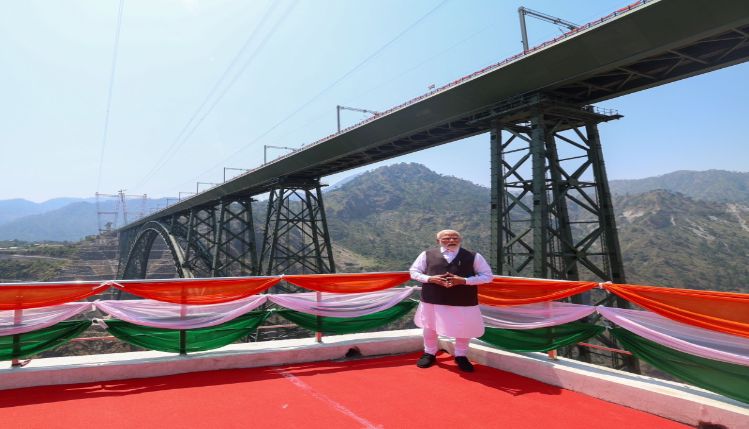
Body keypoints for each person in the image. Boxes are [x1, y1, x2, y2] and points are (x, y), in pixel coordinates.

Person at [409, 229, 493, 372]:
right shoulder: (426, 254)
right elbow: (414, 272)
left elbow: (487, 276)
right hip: (433, 298)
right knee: (429, 327)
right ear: (438, 241)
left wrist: (464, 280)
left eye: (455, 238)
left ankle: (461, 355)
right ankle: (429, 353)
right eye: (446, 238)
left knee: (464, 328)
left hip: (463, 299)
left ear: (460, 240)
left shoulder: (474, 256)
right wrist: (430, 279)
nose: (451, 240)